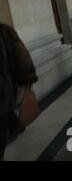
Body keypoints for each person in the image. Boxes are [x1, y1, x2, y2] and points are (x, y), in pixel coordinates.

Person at [0, 23, 38, 160]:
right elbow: (22, 59)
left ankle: (14, 127)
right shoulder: (4, 31)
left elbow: (21, 58)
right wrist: (28, 78)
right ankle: (14, 127)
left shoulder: (4, 32)